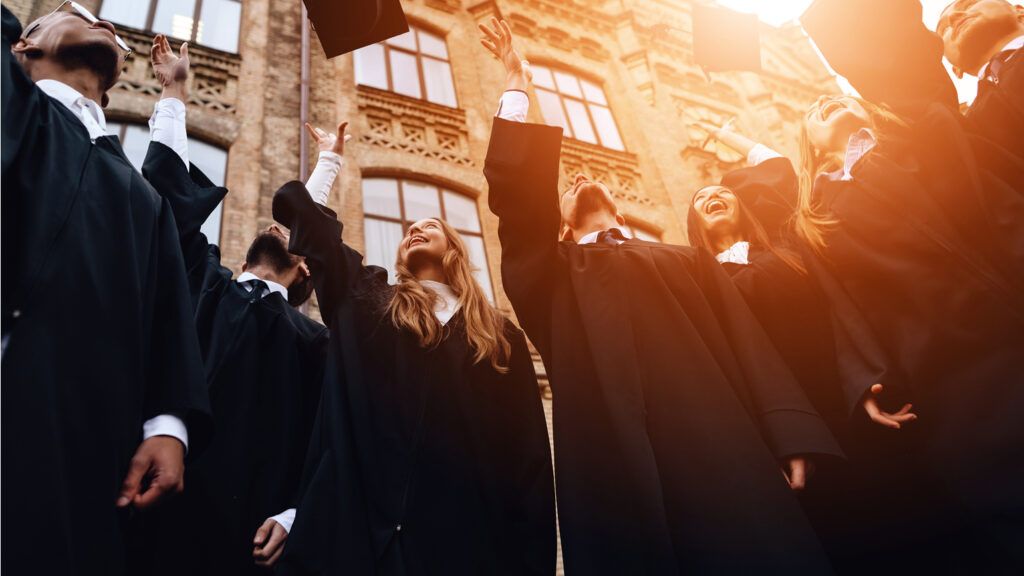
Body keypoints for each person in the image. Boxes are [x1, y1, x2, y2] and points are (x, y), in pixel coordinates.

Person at [479, 18, 841, 574]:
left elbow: (749, 346)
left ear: (622, 213)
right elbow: (515, 200)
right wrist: (517, 87)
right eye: (567, 188)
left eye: (583, 181)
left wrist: (788, 430)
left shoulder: (684, 259)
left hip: (722, 447)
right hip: (618, 468)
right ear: (559, 227)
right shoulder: (549, 277)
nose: (578, 180)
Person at [268, 121, 556, 574]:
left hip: (468, 541)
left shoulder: (500, 338)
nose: (415, 226)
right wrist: (329, 159)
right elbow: (315, 235)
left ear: (455, 250)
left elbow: (528, 458)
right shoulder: (372, 302)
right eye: (410, 228)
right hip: (368, 534)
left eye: (431, 225)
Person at [793, 7, 1024, 566]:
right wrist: (865, 378)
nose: (825, 102)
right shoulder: (818, 217)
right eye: (813, 111)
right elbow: (840, 305)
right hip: (956, 377)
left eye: (834, 96)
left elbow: (900, 67)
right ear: (809, 148)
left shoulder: (925, 126)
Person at [1, 5, 210, 575]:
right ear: (22, 46)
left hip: (91, 440)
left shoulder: (144, 199)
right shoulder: (16, 110)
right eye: (71, 12)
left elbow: (166, 310)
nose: (106, 22)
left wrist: (168, 424)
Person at [132, 35, 330, 575]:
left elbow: (327, 438)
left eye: (292, 232)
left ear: (307, 265)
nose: (274, 226)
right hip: (143, 505)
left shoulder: (312, 342)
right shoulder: (203, 281)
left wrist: (296, 514)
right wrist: (174, 93)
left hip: (239, 538)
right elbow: (167, 204)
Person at [937, 0, 1023, 155]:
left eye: (969, 5)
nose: (954, 17)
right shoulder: (969, 133)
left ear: (1020, 12)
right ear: (956, 69)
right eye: (944, 30)